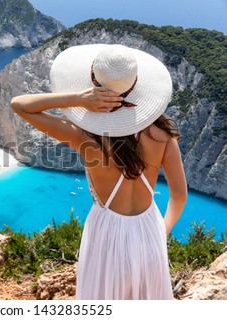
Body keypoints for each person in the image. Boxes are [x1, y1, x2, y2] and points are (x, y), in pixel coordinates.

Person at [11, 44, 187, 300]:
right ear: (135, 87)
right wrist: (163, 230)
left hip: (107, 236)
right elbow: (179, 196)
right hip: (150, 230)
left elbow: (20, 105)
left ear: (94, 85)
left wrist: (78, 99)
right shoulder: (162, 135)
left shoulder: (84, 136)